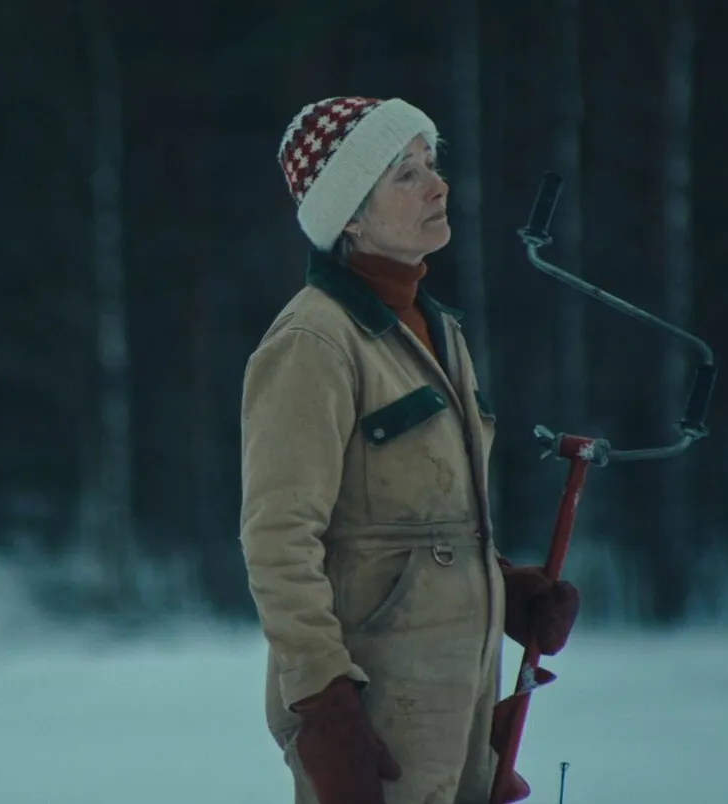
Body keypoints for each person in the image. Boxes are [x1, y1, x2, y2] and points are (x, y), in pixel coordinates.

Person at [240, 96, 582, 804]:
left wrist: (500, 590)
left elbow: (414, 521)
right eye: (406, 173)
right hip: (375, 714)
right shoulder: (312, 342)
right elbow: (278, 538)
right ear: (350, 216)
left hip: (456, 703)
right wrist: (324, 703)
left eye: (431, 162)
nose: (438, 184)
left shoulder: (438, 330)